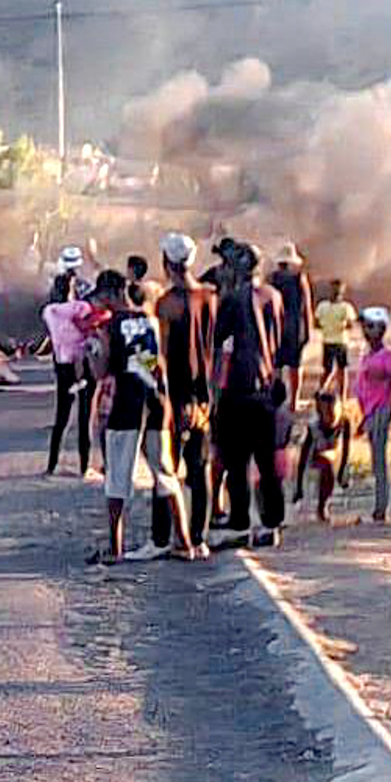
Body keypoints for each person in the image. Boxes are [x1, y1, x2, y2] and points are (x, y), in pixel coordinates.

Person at [90, 270, 195, 564]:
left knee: (118, 477)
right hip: (155, 402)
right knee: (165, 472)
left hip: (127, 403)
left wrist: (94, 349)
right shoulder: (148, 318)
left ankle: (115, 548)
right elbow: (155, 364)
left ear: (111, 295)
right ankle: (184, 542)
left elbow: (103, 371)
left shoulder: (111, 326)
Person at [208, 240, 289, 549]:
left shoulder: (233, 299)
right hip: (269, 391)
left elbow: (217, 338)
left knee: (237, 462)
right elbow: (281, 340)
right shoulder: (274, 296)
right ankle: (272, 524)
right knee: (268, 464)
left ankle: (240, 524)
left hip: (239, 390)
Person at [153, 233, 218, 554]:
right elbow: (215, 349)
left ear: (167, 262)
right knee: (199, 469)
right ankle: (199, 537)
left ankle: (164, 538)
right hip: (204, 399)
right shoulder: (209, 297)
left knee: (166, 469)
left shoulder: (166, 304)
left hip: (175, 399)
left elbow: (160, 356)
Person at [352, 308, 391, 524]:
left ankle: (381, 507)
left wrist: (388, 376)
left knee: (379, 460)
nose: (366, 331)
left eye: (370, 327)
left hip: (381, 409)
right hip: (371, 411)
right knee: (376, 460)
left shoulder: (386, 357)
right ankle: (379, 505)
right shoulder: (368, 356)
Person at [42, 273, 96, 476]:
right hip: (83, 365)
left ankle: (51, 465)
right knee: (85, 418)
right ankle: (84, 466)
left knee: (61, 418)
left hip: (63, 366)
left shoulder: (49, 312)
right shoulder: (82, 308)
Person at [294, 391, 352, 522]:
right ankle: (321, 506)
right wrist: (298, 487)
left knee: (329, 467)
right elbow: (303, 456)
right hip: (315, 456)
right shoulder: (313, 426)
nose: (330, 417)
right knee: (326, 466)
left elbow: (346, 449)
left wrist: (343, 470)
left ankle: (324, 502)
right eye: (327, 413)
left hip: (332, 454)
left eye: (333, 412)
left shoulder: (344, 422)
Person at [268, 243, 313, 405]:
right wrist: (309, 330)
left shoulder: (272, 279)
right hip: (295, 328)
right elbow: (306, 307)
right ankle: (294, 401)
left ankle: (275, 399)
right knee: (295, 365)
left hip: (276, 328)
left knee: (276, 366)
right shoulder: (299, 279)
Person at [314, 279, 359, 399]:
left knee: (335, 370)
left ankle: (331, 394)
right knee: (337, 370)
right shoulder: (342, 307)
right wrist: (338, 325)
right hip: (336, 341)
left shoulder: (341, 307)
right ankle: (331, 394)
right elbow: (350, 325)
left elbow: (316, 324)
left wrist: (328, 325)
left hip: (335, 341)